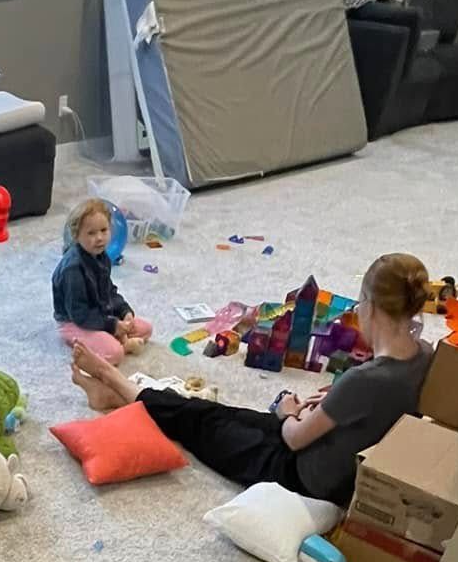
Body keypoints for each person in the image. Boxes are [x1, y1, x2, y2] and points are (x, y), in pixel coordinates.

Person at [69, 251, 432, 504]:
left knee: (200, 425)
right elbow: (369, 409)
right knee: (215, 411)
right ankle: (124, 396)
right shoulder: (426, 355)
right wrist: (329, 403)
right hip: (330, 451)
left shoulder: (365, 380)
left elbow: (293, 438)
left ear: (370, 306)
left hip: (299, 474)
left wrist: (288, 412)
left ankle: (113, 379)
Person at [51, 198, 152, 365]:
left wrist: (124, 312)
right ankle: (122, 345)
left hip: (98, 312)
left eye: (104, 230)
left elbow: (109, 291)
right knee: (115, 354)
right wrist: (112, 326)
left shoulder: (101, 256)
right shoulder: (72, 269)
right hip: (74, 322)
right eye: (91, 233)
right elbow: (79, 314)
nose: (99, 238)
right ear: (76, 236)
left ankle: (116, 339)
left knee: (146, 329)